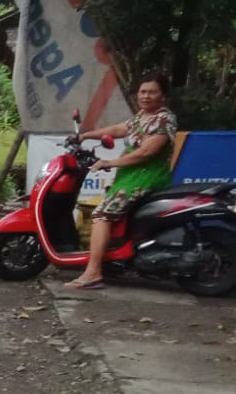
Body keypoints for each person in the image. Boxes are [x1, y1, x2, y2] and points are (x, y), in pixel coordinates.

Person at [66, 73, 178, 289]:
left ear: (163, 96)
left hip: (147, 177)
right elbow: (118, 130)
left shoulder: (164, 119)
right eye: (143, 92)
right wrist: (85, 136)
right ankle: (109, 261)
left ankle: (93, 273)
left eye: (152, 92)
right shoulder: (142, 116)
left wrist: (110, 163)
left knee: (101, 214)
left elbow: (146, 152)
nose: (146, 96)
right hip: (131, 176)